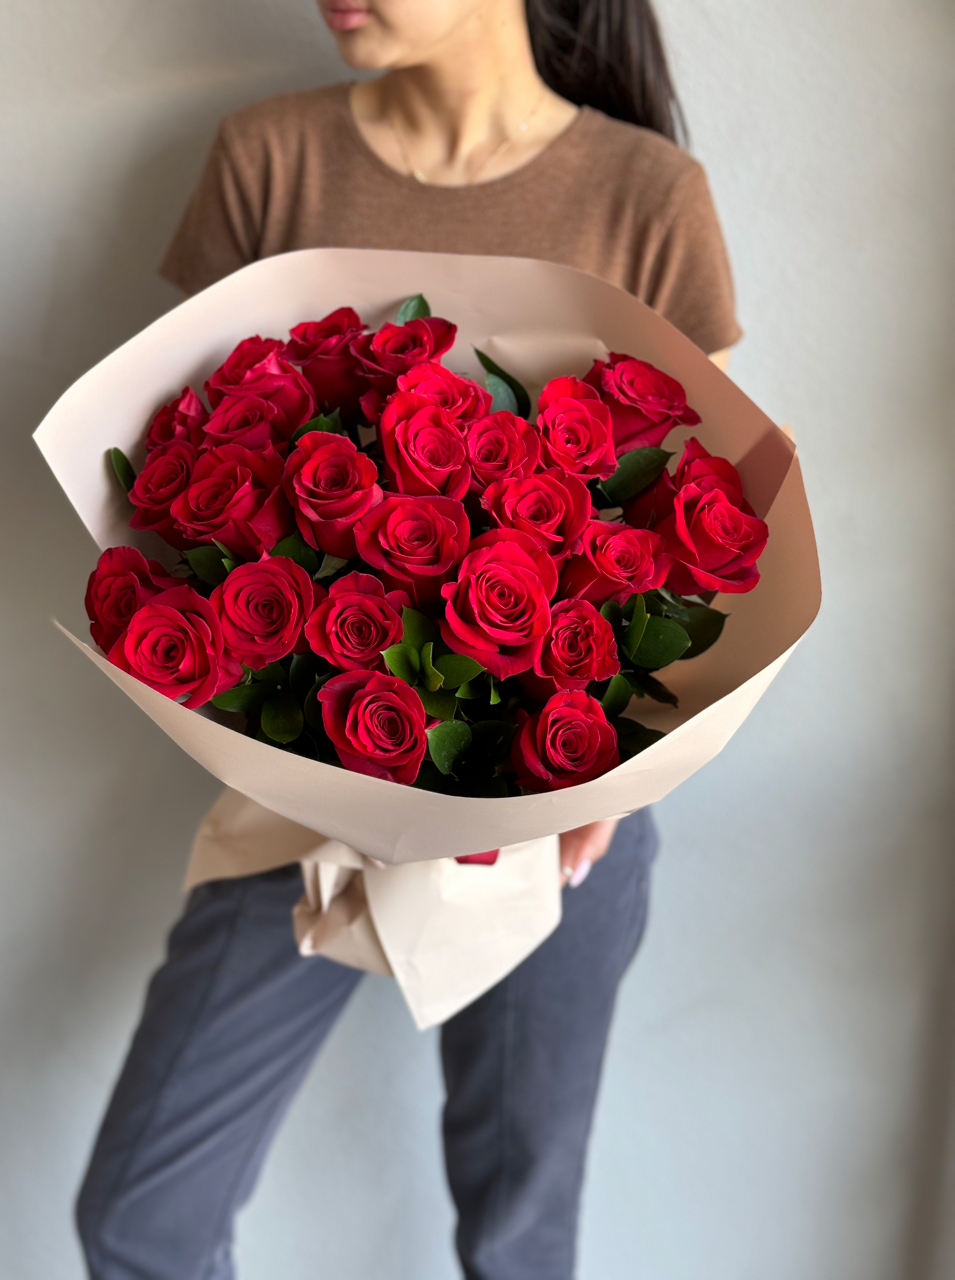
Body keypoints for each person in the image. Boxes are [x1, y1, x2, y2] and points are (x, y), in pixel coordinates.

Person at [76, 2, 741, 1277]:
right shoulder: (268, 158)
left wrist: (622, 773)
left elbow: (698, 517)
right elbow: (168, 479)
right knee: (140, 1214)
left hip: (566, 814)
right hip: (298, 797)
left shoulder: (647, 190)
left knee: (520, 1238)